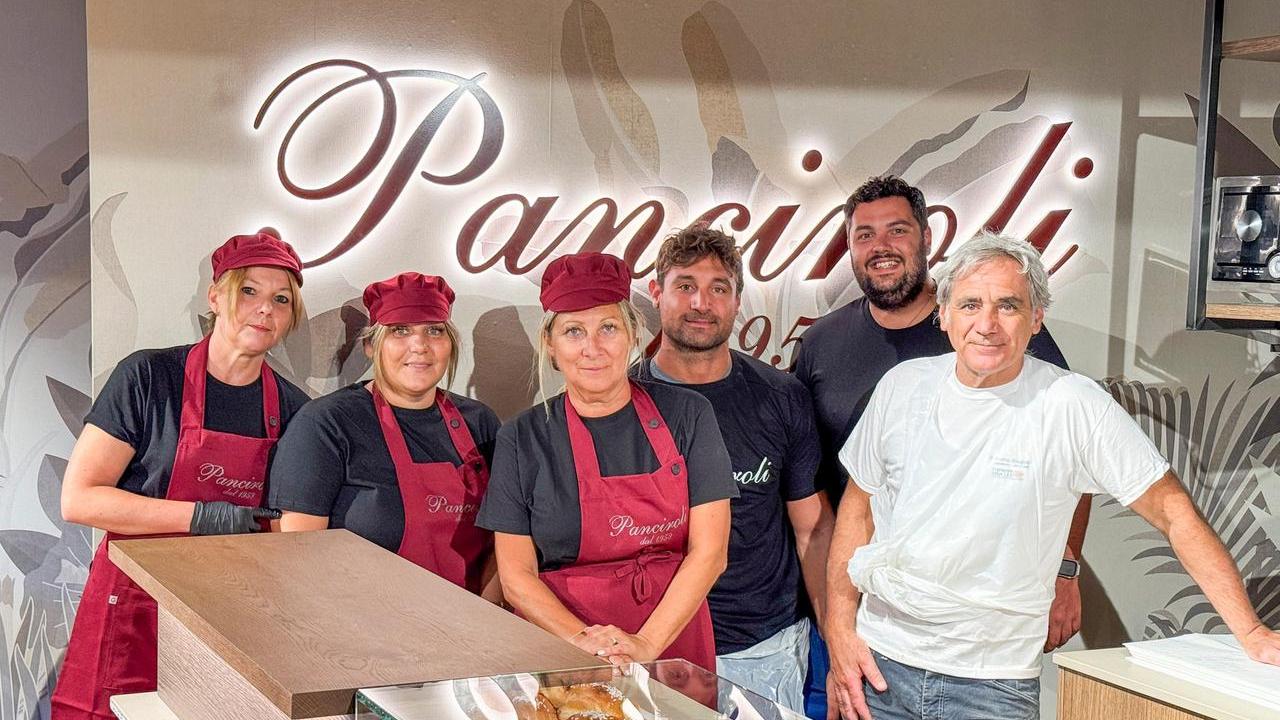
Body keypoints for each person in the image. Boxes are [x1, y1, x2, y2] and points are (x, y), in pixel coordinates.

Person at [825, 232, 1280, 720]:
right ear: (945, 313)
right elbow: (858, 509)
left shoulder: (1073, 405)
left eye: (1009, 306)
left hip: (992, 685)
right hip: (880, 666)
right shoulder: (901, 388)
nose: (987, 324)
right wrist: (839, 630)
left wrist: (1250, 631)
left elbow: (1173, 512)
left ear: (1036, 318)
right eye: (971, 304)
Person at [793, 176, 1085, 719]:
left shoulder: (991, 329)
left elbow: (1069, 462)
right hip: (865, 608)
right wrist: (836, 617)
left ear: (927, 238)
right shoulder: (820, 343)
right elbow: (821, 489)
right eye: (864, 235)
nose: (881, 247)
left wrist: (1065, 572)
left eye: (897, 231)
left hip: (976, 637)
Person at [51, 232, 311, 719]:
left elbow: (290, 531)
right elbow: (80, 499)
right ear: (216, 296)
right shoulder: (149, 378)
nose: (264, 310)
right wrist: (206, 517)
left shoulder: (297, 412)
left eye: (281, 299)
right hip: (133, 602)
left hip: (232, 616)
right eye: (249, 291)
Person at [477, 252, 737, 671]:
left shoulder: (689, 415)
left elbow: (710, 552)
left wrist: (647, 644)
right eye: (574, 331)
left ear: (633, 333)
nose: (592, 349)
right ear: (551, 344)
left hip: (670, 639)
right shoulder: (522, 438)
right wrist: (582, 641)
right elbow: (516, 575)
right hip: (561, 645)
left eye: (609, 328)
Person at [635, 226, 834, 712]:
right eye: (685, 286)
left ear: (738, 299)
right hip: (656, 646)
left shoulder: (780, 396)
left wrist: (837, 643)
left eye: (718, 288)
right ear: (657, 293)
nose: (701, 303)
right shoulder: (622, 401)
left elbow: (811, 530)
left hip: (763, 649)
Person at [270, 272, 501, 600]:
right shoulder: (326, 424)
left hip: (467, 627)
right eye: (400, 331)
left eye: (434, 330)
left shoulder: (480, 423)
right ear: (369, 345)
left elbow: (502, 544)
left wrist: (486, 620)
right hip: (360, 627)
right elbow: (299, 554)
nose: (419, 346)